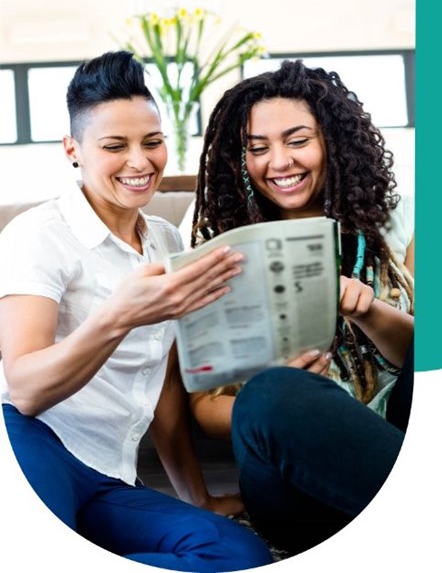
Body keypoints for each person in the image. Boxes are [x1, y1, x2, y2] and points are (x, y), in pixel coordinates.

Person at [0, 50, 272, 572]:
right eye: (114, 146)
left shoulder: (169, 242)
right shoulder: (38, 235)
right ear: (72, 150)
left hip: (108, 475)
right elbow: (27, 388)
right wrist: (120, 314)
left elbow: (164, 389)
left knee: (237, 552)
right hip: (29, 443)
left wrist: (199, 498)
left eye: (152, 142)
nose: (139, 162)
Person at [186, 59, 415, 555]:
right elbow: (203, 408)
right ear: (238, 158)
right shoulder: (214, 238)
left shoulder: (398, 220)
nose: (279, 162)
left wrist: (370, 312)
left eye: (297, 140)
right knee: (272, 393)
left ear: (331, 140)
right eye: (258, 148)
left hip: (397, 430)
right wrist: (279, 390)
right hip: (295, 482)